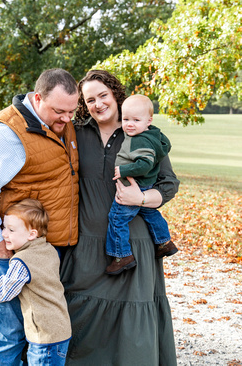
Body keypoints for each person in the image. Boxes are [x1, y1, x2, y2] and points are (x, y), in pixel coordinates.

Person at [60, 69, 179, 365]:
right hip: (85, 244)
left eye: (103, 95)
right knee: (78, 324)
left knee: (132, 332)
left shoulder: (144, 133)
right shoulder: (74, 132)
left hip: (134, 246)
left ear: (115, 95)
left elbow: (168, 184)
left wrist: (140, 198)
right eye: (90, 100)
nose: (98, 104)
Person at [0, 68, 79, 365]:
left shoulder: (61, 122)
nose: (66, 119)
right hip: (9, 249)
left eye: (72, 112)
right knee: (10, 333)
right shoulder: (6, 133)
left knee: (39, 332)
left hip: (40, 250)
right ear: (37, 98)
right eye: (59, 111)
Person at [0, 198, 71, 366]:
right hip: (60, 331)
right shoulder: (49, 249)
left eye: (11, 230)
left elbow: (5, 292)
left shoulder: (21, 261)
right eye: (4, 227)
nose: (4, 233)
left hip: (43, 337)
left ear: (32, 234)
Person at [105, 94, 178, 275]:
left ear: (148, 121)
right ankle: (164, 242)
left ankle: (122, 256)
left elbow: (144, 165)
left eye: (136, 120)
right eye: (126, 119)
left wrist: (124, 170)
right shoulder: (153, 135)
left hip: (134, 187)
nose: (130, 124)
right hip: (145, 185)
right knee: (150, 213)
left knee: (117, 219)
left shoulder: (140, 139)